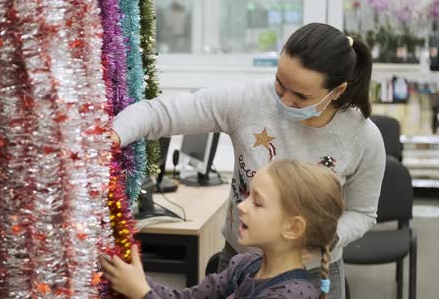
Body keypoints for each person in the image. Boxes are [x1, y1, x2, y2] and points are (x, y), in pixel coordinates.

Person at [111, 23, 386, 297]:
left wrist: (318, 238)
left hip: (314, 271)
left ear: (337, 91)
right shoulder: (249, 101)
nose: (285, 101)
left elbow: (363, 213)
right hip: (242, 262)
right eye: (280, 84)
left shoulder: (362, 137)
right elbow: (159, 113)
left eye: (301, 96)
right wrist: (112, 135)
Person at [101, 159, 345, 299]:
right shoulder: (245, 265)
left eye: (257, 202)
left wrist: (142, 293)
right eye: (247, 196)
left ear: (293, 228)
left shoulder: (290, 295)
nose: (241, 206)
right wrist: (139, 280)